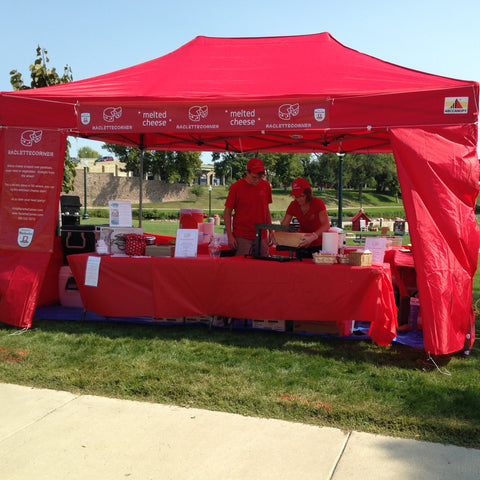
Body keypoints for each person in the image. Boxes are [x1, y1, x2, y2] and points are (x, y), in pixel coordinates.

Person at [224, 158, 273, 256]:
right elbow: (227, 212)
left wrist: (271, 231)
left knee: (264, 266)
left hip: (261, 236)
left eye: (260, 177)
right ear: (247, 173)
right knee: (242, 267)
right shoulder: (236, 187)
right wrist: (229, 235)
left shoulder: (266, 186)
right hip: (242, 236)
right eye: (254, 177)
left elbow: (266, 210)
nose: (257, 180)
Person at [280, 177, 330, 258]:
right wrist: (276, 235)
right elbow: (284, 225)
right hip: (302, 242)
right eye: (296, 197)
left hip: (320, 243)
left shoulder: (318, 203)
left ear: (308, 194)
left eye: (301, 196)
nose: (298, 199)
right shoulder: (293, 205)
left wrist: (313, 236)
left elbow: (326, 225)